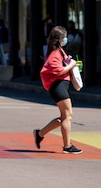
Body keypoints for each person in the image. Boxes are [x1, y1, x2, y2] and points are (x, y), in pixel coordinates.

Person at [33, 25, 82, 154]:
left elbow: (65, 63)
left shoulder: (59, 50)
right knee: (68, 116)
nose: (66, 38)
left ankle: (40, 133)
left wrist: (72, 63)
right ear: (59, 38)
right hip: (58, 86)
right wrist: (71, 64)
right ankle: (67, 146)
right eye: (64, 36)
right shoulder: (54, 54)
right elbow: (60, 71)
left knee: (64, 117)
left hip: (60, 86)